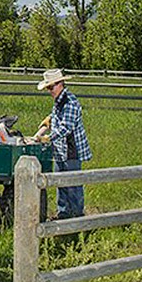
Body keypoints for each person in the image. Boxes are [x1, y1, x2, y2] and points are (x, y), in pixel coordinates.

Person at [33, 69, 92, 219]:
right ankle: (64, 213)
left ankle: (77, 215)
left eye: (51, 87)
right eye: (48, 88)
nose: (49, 91)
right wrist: (43, 127)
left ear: (60, 84)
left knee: (73, 183)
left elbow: (66, 127)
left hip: (72, 149)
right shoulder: (59, 101)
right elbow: (54, 118)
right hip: (60, 149)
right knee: (60, 182)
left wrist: (47, 138)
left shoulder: (70, 102)